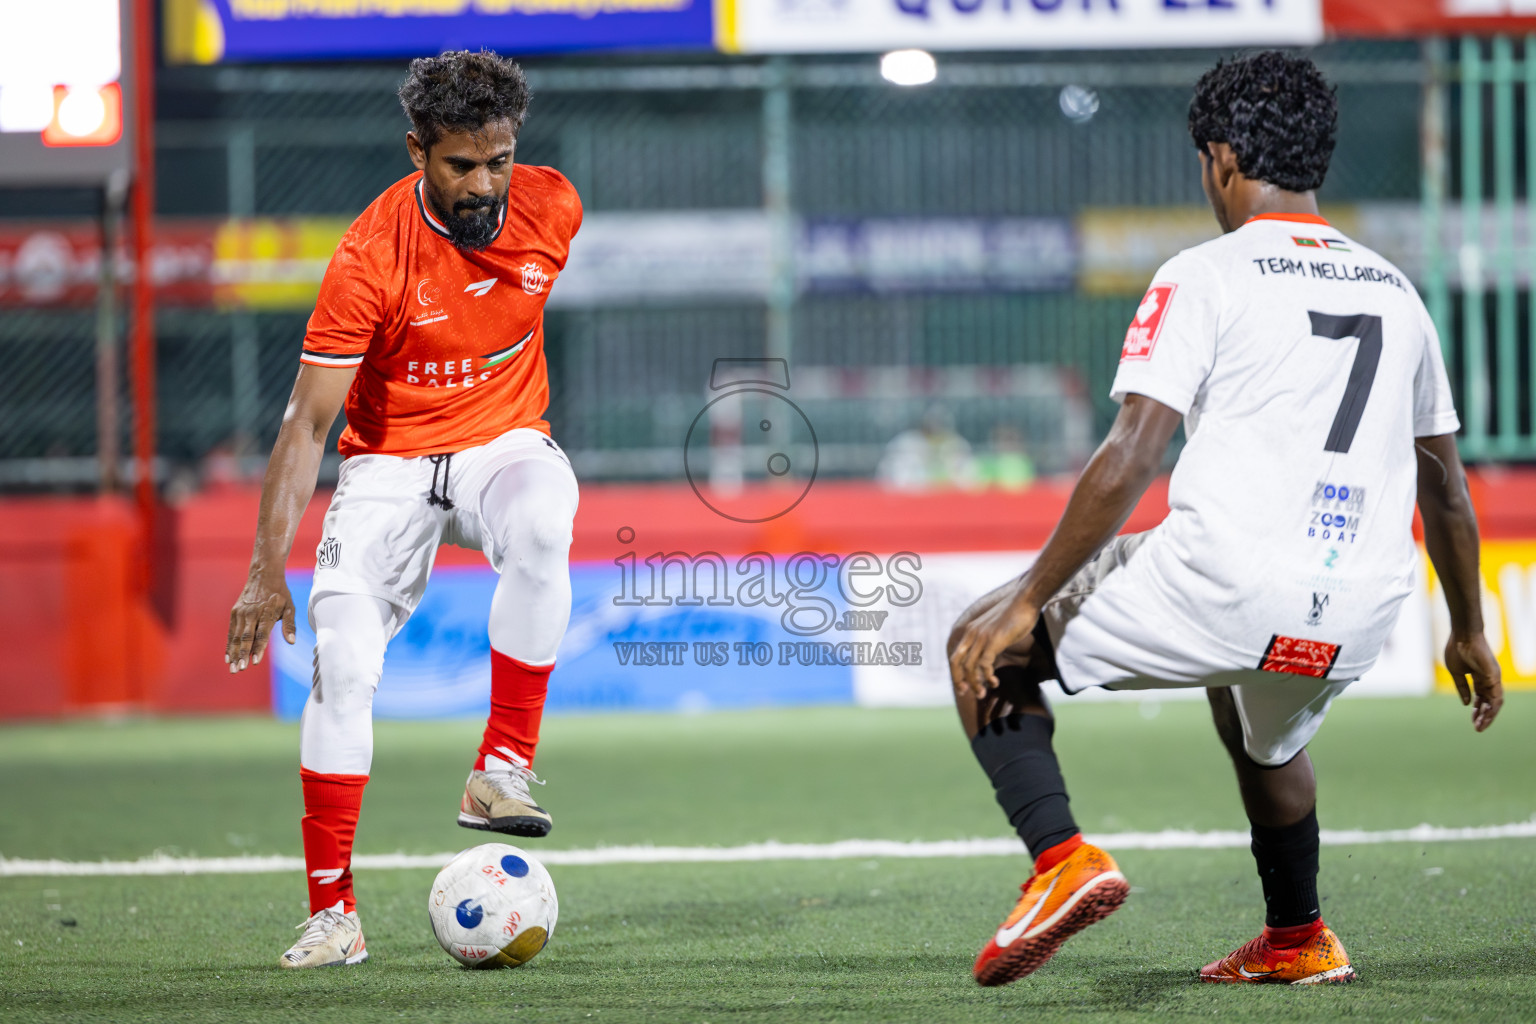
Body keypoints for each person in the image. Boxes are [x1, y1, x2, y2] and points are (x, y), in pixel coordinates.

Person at [946, 51, 1502, 988]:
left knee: (978, 643)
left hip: (1224, 583)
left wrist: (1027, 599)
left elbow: (1131, 452)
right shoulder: (1397, 293)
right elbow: (1443, 487)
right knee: (1262, 724)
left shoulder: (1205, 273)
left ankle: (1061, 859)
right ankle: (1299, 938)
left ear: (1222, 158)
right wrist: (1472, 627)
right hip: (1361, 611)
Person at [224, 50, 583, 969]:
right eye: (461, 164)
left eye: (497, 160)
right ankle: (333, 916)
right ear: (417, 149)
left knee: (546, 516)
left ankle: (500, 768)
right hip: (386, 462)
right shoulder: (368, 258)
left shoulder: (553, 208)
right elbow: (306, 425)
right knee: (341, 666)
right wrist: (268, 571)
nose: (483, 184)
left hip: (501, 442)